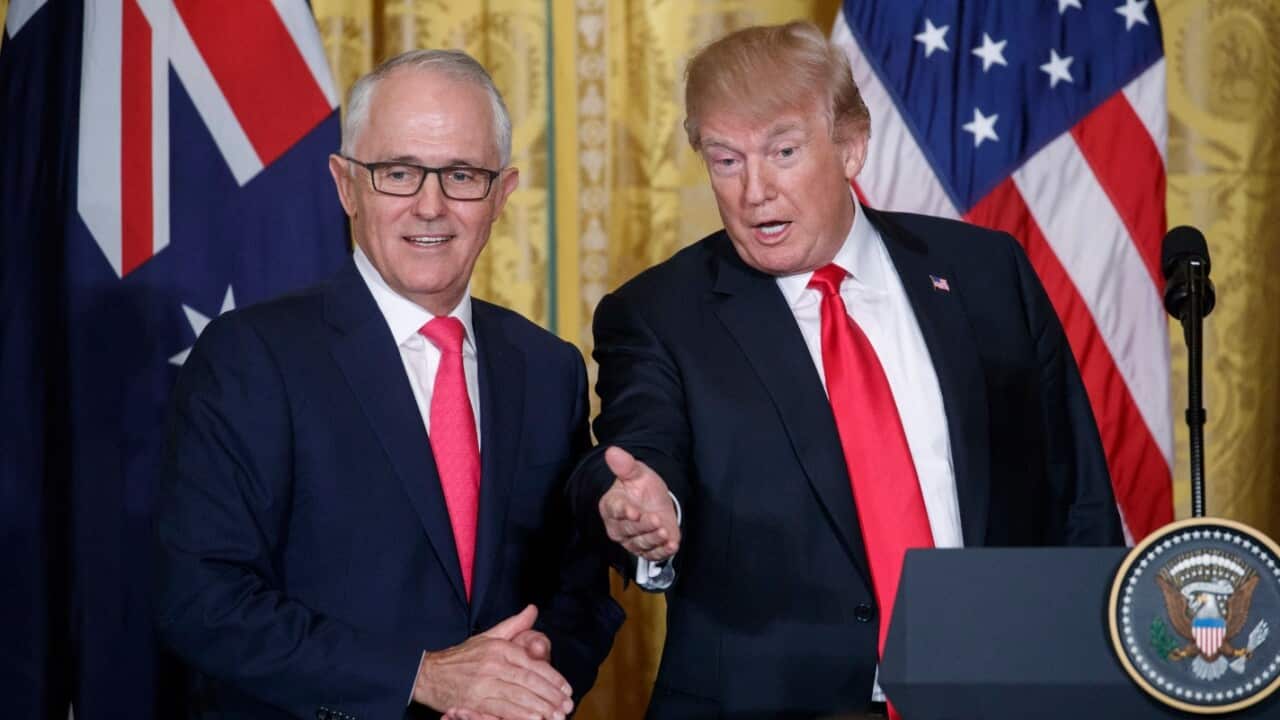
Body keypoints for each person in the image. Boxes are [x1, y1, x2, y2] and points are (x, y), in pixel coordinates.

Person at [567, 21, 1124, 718]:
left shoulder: (986, 274)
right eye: (726, 161)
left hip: (995, 695)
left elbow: (1078, 499)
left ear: (851, 146)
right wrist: (645, 506)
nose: (754, 191)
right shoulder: (659, 313)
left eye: (784, 151)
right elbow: (637, 446)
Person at [154, 49, 622, 720]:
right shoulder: (251, 357)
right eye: (397, 173)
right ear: (346, 185)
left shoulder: (548, 367)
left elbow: (581, 590)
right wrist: (424, 677)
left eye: (462, 175)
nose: (429, 206)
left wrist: (530, 678)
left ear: (502, 194)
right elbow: (201, 599)